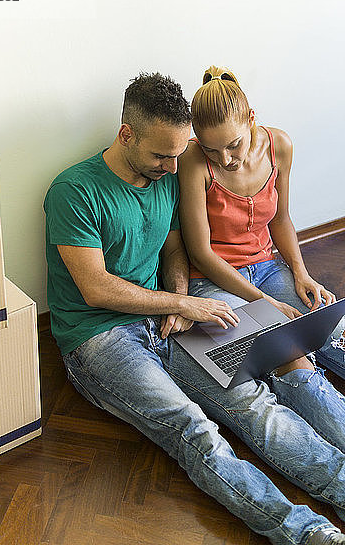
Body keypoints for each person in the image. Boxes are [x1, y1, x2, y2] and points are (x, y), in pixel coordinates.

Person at [44, 72, 345, 545]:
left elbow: (174, 249)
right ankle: (301, 530)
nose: (173, 164)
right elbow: (96, 288)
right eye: (162, 154)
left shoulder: (163, 176)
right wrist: (182, 301)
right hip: (98, 339)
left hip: (164, 321)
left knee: (251, 399)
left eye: (179, 152)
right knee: (195, 430)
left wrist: (181, 300)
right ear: (126, 135)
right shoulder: (74, 191)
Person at [179, 65, 345, 381]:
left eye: (233, 145)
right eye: (211, 149)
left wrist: (301, 273)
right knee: (292, 363)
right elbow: (200, 253)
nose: (225, 158)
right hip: (214, 279)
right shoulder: (192, 159)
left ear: (251, 119)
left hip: (267, 268)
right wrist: (265, 304)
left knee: (339, 332)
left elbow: (281, 220)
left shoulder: (279, 145)